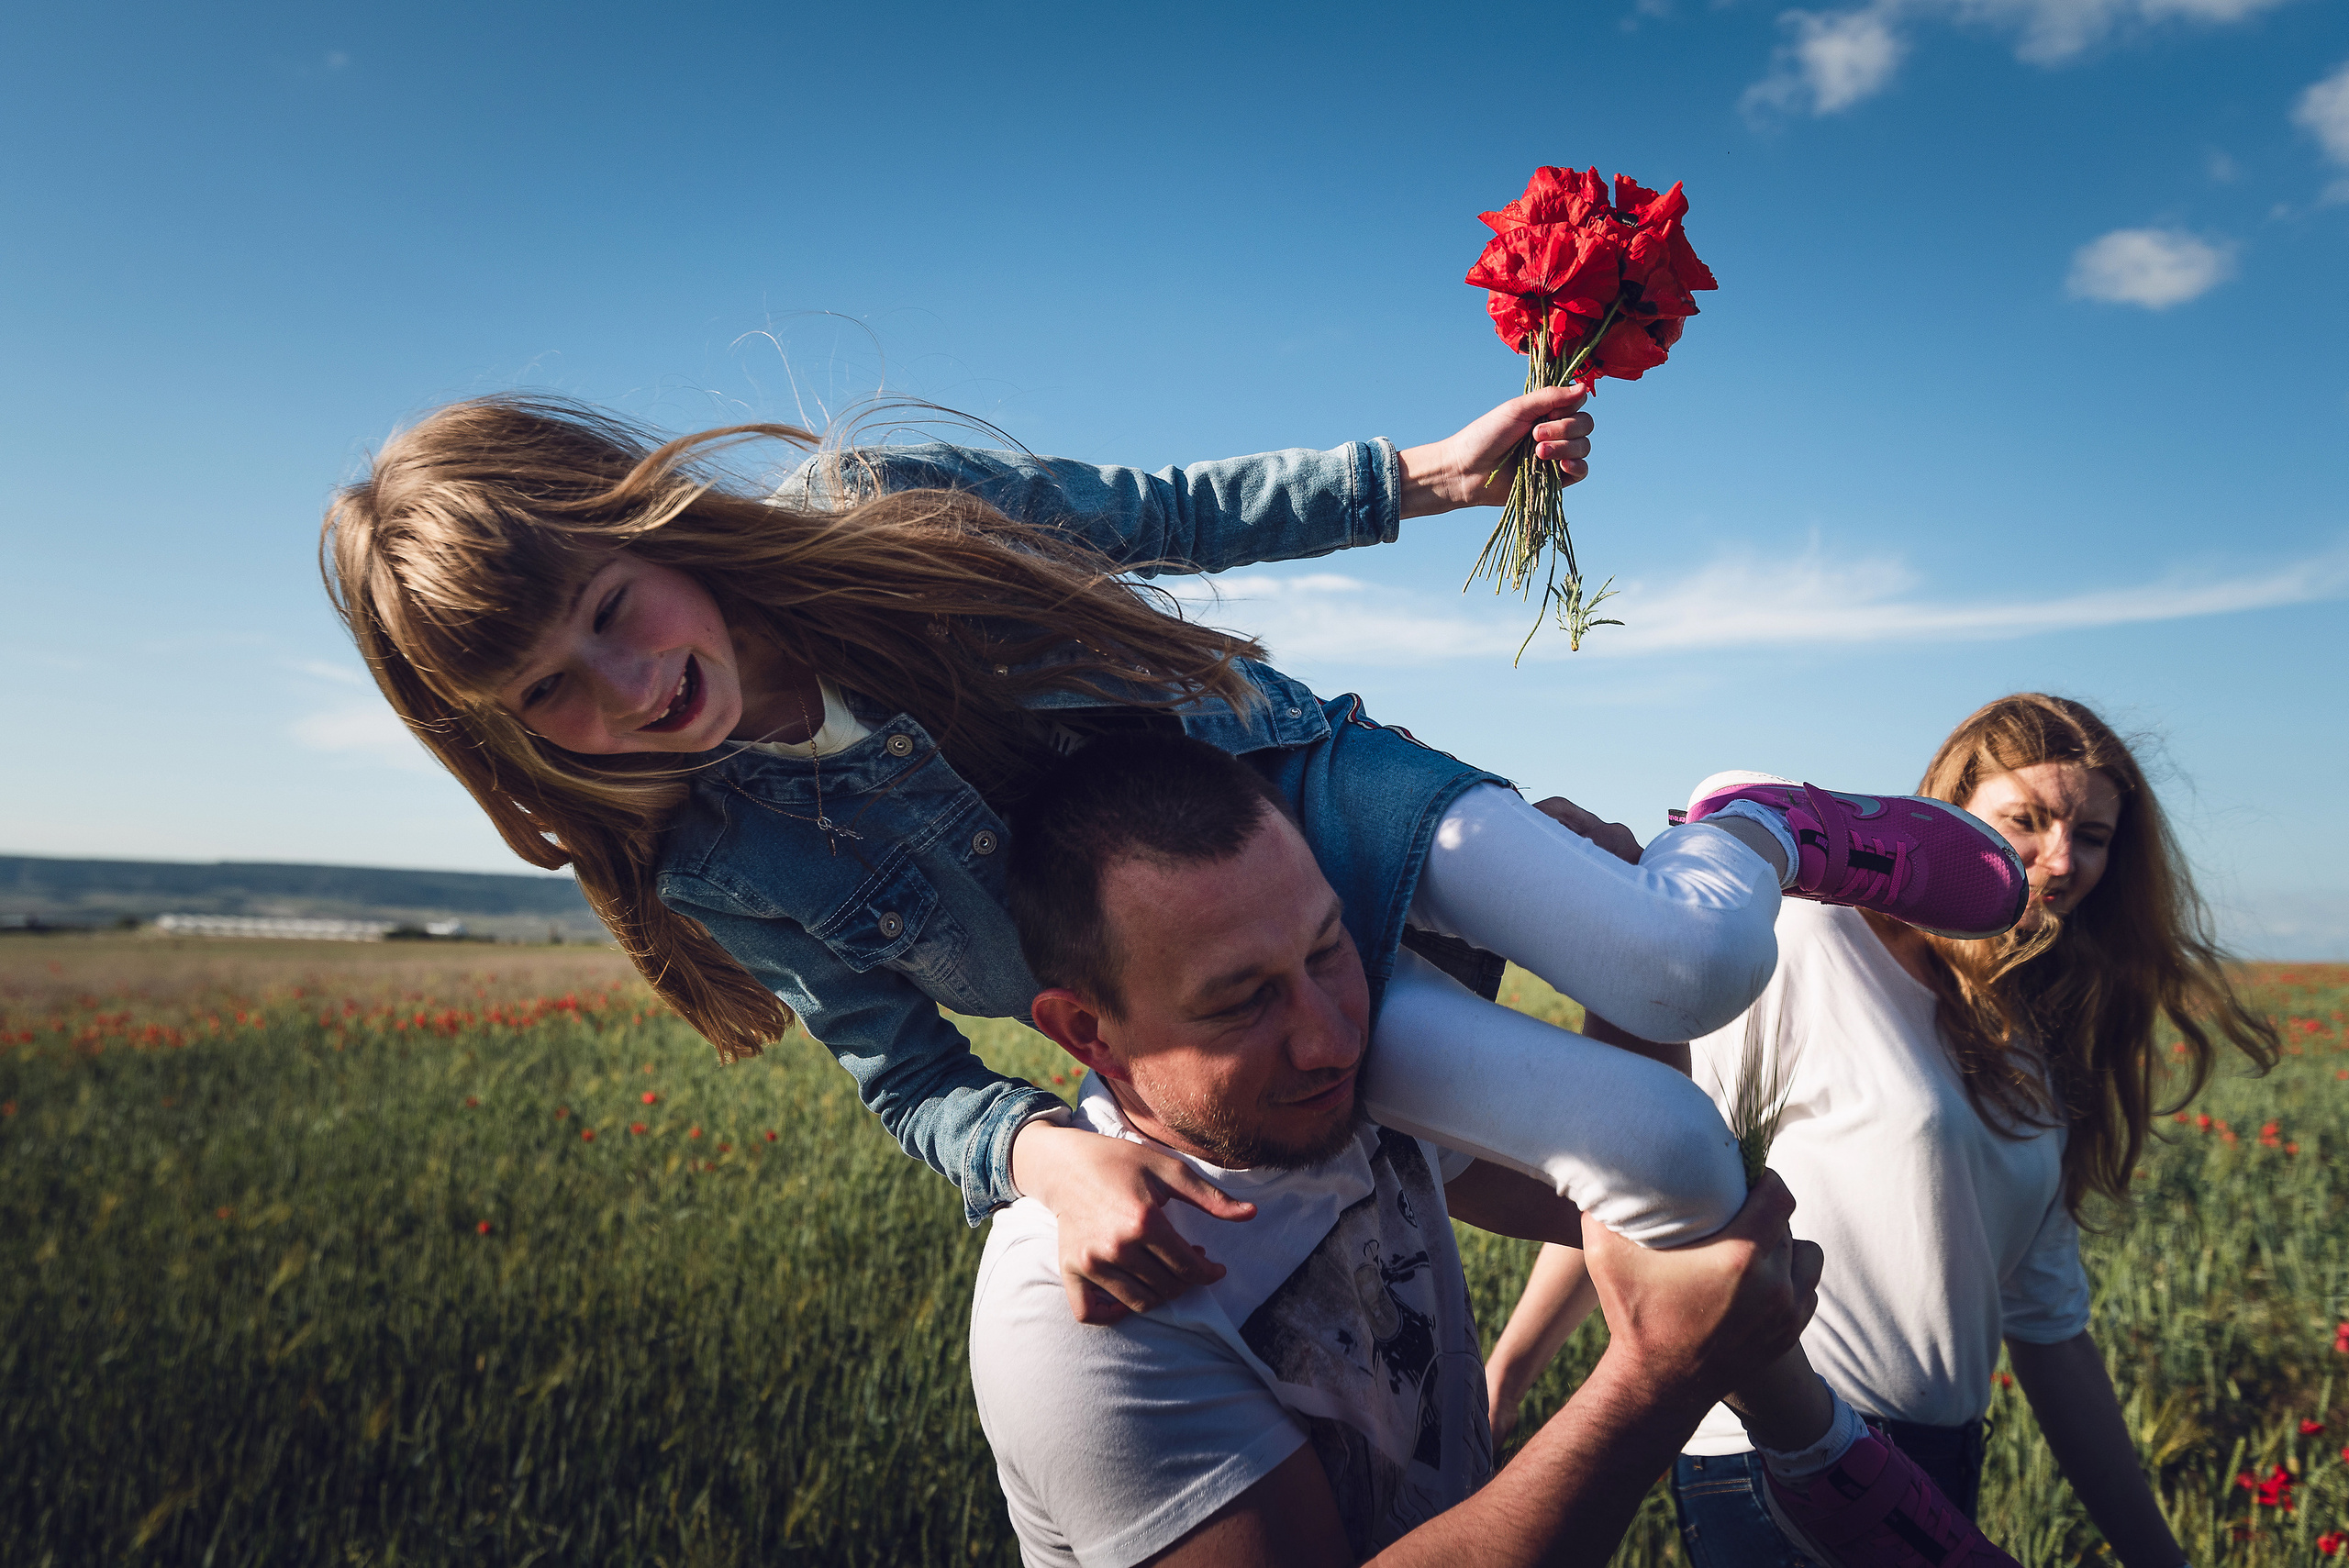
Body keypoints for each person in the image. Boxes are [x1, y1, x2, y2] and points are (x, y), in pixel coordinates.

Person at [320, 385, 2023, 1330]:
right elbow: (906, 1077)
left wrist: (1423, 474)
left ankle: (1755, 822)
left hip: (1314, 788)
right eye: (554, 691)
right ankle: (1797, 1439)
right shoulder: (719, 858)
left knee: (1691, 962)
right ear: (506, 730)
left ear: (656, 523)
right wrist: (1044, 1155)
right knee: (1661, 1144)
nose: (627, 686)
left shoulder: (880, 505)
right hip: (1223, 1000)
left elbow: (1153, 506)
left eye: (615, 611)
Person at [973, 730, 1825, 1566]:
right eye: (1241, 1002)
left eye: (1327, 947)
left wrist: (1615, 970)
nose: (1332, 1036)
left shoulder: (1340, 1101)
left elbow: (1599, 1205)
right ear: (1090, 1032)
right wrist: (1654, 1381)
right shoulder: (1075, 1306)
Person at [1481, 695, 2280, 1568]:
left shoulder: (2035, 1053)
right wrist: (1511, 1367)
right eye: (2027, 820)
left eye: (2090, 836)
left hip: (1939, 1468)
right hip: (1769, 1457)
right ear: (1946, 817)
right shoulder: (1818, 941)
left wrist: (2155, 1554)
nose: (2058, 859)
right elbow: (1652, 1161)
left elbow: (2048, 1326)